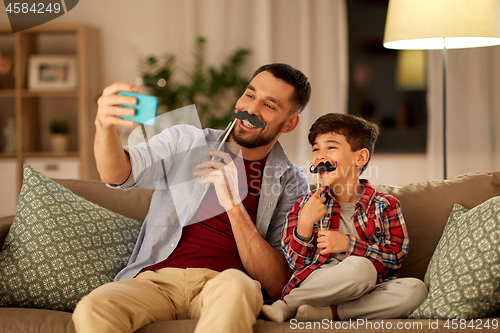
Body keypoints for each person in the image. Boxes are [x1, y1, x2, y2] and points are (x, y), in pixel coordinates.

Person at [72, 63, 312, 333]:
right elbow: (118, 174)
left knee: (237, 289)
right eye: (249, 95)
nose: (251, 110)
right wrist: (103, 126)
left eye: (269, 105)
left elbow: (279, 282)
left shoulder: (291, 181)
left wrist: (233, 204)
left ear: (290, 122)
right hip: (155, 282)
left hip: (225, 284)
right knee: (95, 306)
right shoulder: (187, 141)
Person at [262, 113, 428, 323]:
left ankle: (329, 314)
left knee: (416, 289)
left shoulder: (385, 205)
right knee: (362, 268)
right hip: (319, 284)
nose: (319, 156)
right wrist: (304, 223)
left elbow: (393, 259)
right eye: (315, 148)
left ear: (360, 158)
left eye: (331, 147)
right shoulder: (305, 204)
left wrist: (348, 245)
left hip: (368, 285)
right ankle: (288, 305)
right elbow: (295, 263)